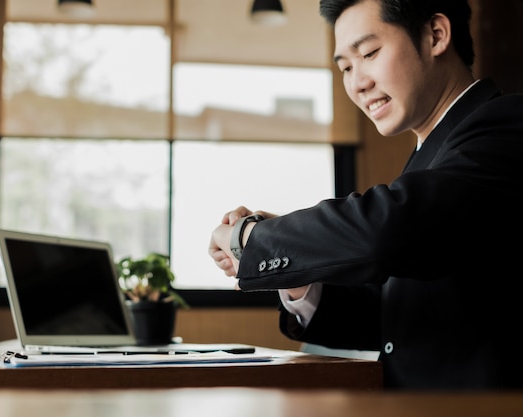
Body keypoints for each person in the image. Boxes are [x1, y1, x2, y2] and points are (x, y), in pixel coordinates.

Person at [208, 0, 523, 390]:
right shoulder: (432, 155)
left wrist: (253, 239)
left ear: (436, 35)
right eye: (345, 67)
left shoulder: (507, 125)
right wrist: (298, 281)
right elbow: (394, 321)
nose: (357, 83)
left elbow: (384, 230)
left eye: (370, 53)